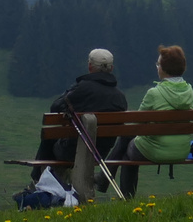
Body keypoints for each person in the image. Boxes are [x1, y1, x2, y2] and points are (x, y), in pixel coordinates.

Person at [30, 48, 128, 182]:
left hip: (72, 151)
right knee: (53, 135)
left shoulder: (82, 89)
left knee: (50, 136)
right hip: (100, 153)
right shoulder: (120, 97)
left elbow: (55, 107)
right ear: (111, 68)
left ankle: (38, 180)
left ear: (89, 66)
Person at [110, 44, 193, 199]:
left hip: (156, 150)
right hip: (182, 150)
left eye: (158, 64)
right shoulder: (189, 91)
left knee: (127, 149)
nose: (157, 67)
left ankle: (125, 198)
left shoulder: (154, 93)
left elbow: (136, 126)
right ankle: (105, 177)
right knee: (127, 141)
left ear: (164, 68)